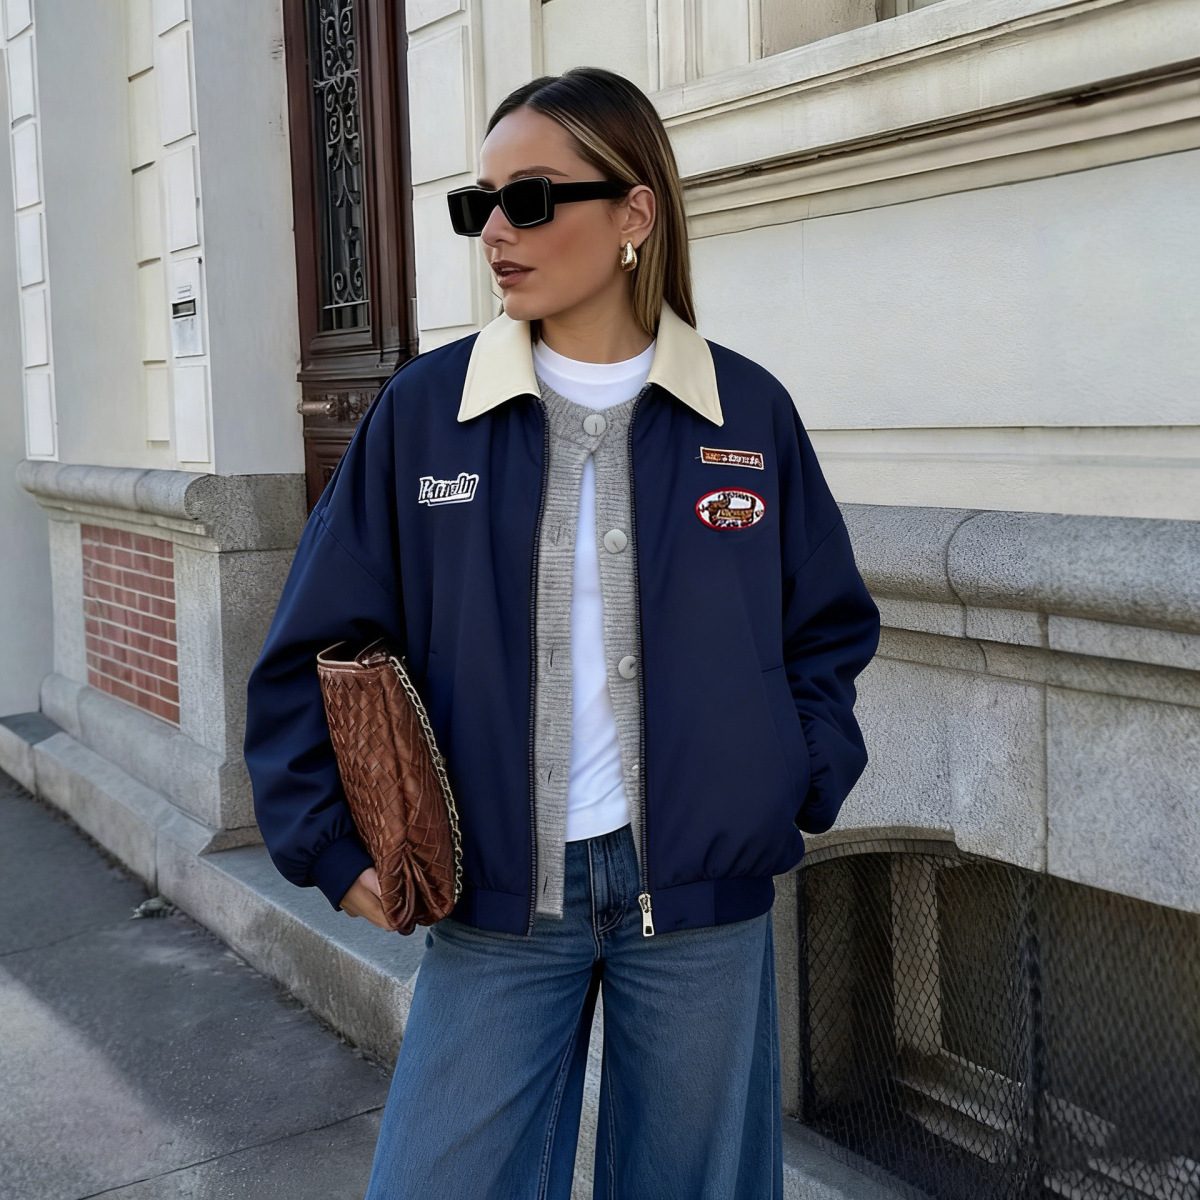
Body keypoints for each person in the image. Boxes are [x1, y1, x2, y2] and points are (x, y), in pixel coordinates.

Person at [244, 66, 880, 1200]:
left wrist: (790, 779)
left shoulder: (747, 413)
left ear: (635, 212)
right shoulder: (427, 414)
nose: (495, 232)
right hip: (496, 894)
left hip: (700, 900)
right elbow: (313, 641)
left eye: (529, 200)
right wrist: (329, 847)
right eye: (478, 204)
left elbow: (826, 628)